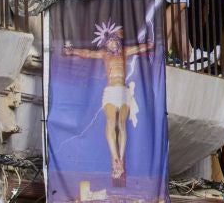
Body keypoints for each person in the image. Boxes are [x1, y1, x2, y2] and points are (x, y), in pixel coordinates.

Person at [59, 20, 157, 182]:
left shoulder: (125, 52)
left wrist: (149, 44)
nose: (111, 43)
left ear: (117, 42)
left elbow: (140, 48)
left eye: (113, 40)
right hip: (111, 91)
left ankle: (121, 157)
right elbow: (88, 53)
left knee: (122, 125)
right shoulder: (105, 55)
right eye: (109, 41)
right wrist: (72, 51)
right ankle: (115, 158)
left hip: (123, 92)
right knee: (111, 123)